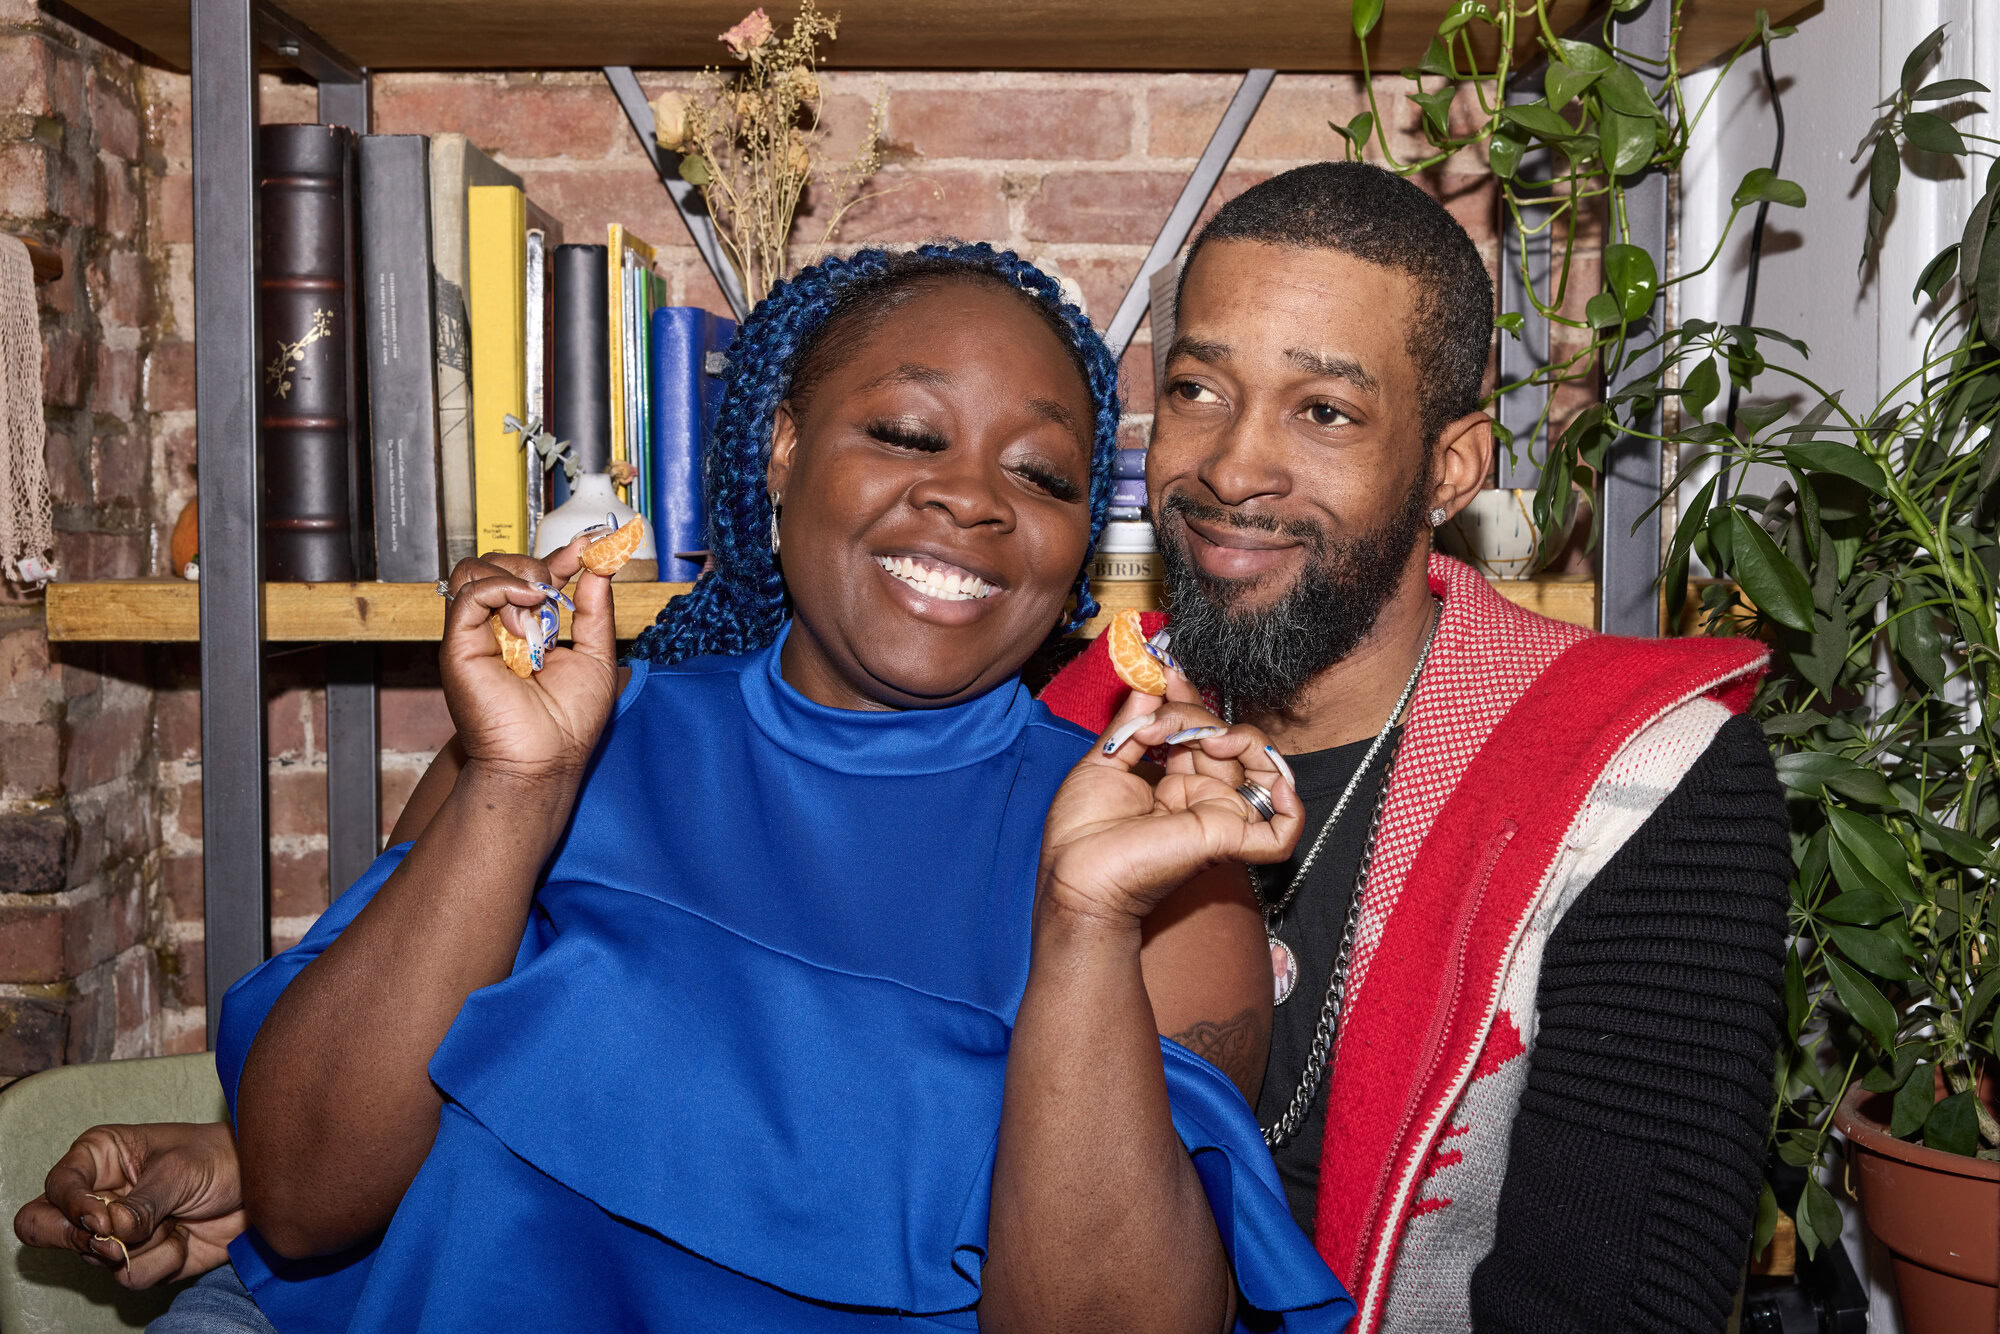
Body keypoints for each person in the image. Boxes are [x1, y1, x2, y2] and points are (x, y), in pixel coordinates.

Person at [14, 243, 1353, 1333]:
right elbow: (305, 1199)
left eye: (1040, 474)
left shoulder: (1146, 861)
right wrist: (519, 784)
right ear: (778, 453)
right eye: (903, 431)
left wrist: (1080, 921)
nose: (969, 499)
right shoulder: (570, 734)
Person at [1040, 162, 1793, 1334]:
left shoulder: (1645, 786)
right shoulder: (1056, 728)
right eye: (1197, 389)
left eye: (1323, 411)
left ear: (1451, 468)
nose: (1232, 467)